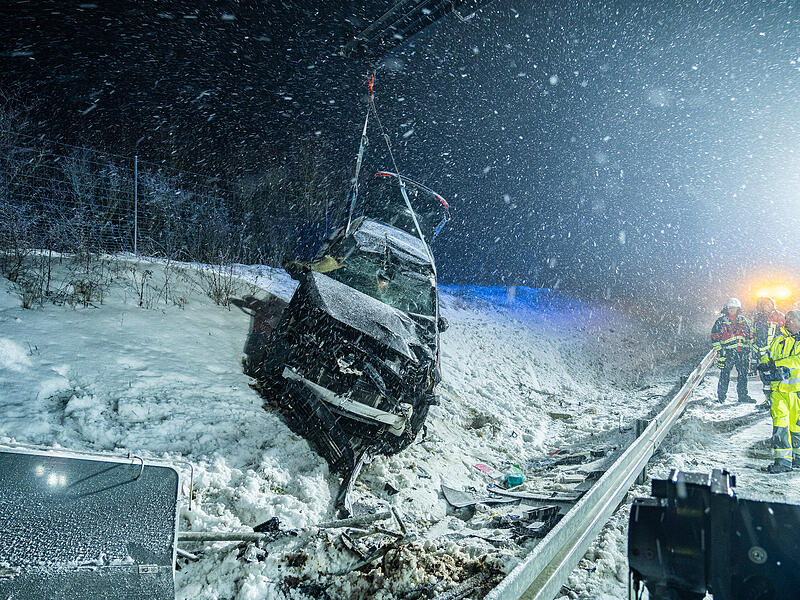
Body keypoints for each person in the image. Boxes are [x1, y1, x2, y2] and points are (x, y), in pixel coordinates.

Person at [757, 309, 800, 473]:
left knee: (797, 427)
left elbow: (797, 360)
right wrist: (764, 362)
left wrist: (779, 364)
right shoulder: (779, 339)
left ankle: (797, 458)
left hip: (797, 392)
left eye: (792, 319)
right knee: (780, 424)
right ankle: (782, 462)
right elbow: (769, 353)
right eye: (787, 319)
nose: (787, 321)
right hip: (779, 390)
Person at [710, 297, 754, 403]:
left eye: (734, 308)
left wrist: (748, 347)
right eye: (730, 308)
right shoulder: (721, 321)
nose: (732, 310)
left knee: (743, 375)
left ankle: (743, 396)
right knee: (725, 375)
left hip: (742, 353)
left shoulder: (743, 320)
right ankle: (721, 396)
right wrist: (721, 351)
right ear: (726, 309)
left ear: (738, 309)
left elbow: (749, 334)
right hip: (728, 353)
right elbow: (714, 337)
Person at [751, 296, 785, 408]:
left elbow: (784, 334)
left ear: (772, 305)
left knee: (775, 379)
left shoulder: (779, 316)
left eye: (768, 304)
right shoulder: (757, 317)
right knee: (765, 380)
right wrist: (755, 351)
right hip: (761, 354)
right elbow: (754, 334)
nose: (765, 307)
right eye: (763, 304)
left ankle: (776, 402)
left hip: (774, 355)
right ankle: (768, 401)